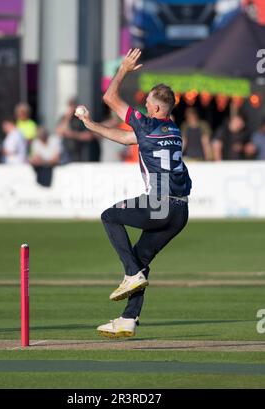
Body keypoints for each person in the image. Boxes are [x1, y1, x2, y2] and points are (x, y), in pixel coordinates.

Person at [75, 49, 192, 338]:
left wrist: (124, 69)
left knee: (109, 216)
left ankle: (131, 274)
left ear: (153, 109)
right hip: (180, 212)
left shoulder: (146, 123)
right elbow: (127, 138)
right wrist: (90, 125)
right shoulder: (172, 130)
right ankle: (129, 319)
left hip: (159, 204)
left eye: (146, 103)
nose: (143, 106)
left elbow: (109, 98)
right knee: (141, 260)